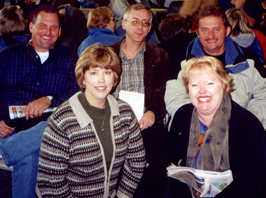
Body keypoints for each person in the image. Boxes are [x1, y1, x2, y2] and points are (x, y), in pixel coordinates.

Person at [37, 43, 146, 198]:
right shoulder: (62, 120)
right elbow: (50, 182)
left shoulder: (125, 112)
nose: (101, 80)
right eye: (94, 73)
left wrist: (123, 195)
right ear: (83, 78)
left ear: (115, 78)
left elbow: (137, 160)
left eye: (107, 73)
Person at [0, 4, 78, 198]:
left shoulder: (69, 58)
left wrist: (49, 99)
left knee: (42, 139)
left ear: (60, 31)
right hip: (10, 126)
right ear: (31, 27)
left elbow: (77, 91)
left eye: (54, 27)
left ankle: (9, 152)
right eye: (43, 25)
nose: (48, 32)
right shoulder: (8, 57)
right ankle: (15, 147)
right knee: (30, 156)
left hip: (47, 127)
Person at [165, 56, 266, 198]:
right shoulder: (182, 116)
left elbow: (254, 182)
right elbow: (169, 165)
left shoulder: (248, 125)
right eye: (194, 85)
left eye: (210, 83)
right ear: (188, 89)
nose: (202, 91)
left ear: (224, 85)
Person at [165, 5, 266, 130]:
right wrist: (203, 121)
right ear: (197, 32)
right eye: (205, 30)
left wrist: (246, 121)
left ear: (227, 30)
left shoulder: (249, 61)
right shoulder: (182, 61)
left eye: (216, 29)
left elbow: (263, 96)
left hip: (242, 130)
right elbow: (175, 98)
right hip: (196, 129)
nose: (211, 35)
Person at [111, 3, 169, 198]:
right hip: (112, 120)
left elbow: (161, 94)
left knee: (156, 161)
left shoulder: (159, 55)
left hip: (145, 121)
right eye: (135, 21)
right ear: (124, 23)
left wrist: (153, 112)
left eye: (145, 23)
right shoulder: (109, 54)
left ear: (150, 27)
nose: (140, 27)